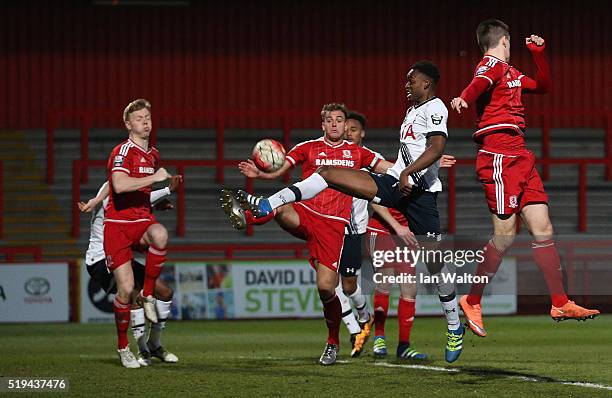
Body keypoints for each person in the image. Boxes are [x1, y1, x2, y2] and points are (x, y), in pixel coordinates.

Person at [224, 61, 465, 363]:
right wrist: (402, 172)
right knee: (326, 172)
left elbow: (437, 147)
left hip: (419, 196)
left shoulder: (436, 107)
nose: (407, 84)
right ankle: (265, 204)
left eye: (411, 80)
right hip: (394, 185)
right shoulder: (411, 111)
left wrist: (411, 172)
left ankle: (455, 325)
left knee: (433, 264)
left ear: (426, 83)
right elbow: (410, 156)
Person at [450, 19, 599, 338]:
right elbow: (478, 82)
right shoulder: (490, 64)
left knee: (543, 227)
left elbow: (543, 86)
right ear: (504, 40)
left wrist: (540, 54)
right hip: (499, 156)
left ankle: (560, 302)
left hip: (521, 155)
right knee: (504, 234)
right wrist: (464, 96)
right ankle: (472, 299)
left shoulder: (513, 73)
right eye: (511, 41)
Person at [222, 103, 390, 365]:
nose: (334, 124)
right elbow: (281, 168)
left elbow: (387, 167)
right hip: (306, 211)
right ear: (322, 124)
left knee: (326, 288)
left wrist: (419, 170)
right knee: (281, 205)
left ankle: (333, 341)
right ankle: (249, 216)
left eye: (339, 120)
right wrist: (262, 173)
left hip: (334, 226)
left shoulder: (358, 153)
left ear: (346, 125)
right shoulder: (307, 148)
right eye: (329, 120)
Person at [104, 98, 177, 367]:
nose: (145, 122)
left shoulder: (153, 154)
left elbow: (141, 191)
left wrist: (156, 199)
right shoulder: (122, 152)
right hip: (118, 226)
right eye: (138, 119)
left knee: (160, 234)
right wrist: (154, 179)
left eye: (147, 117)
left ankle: (147, 294)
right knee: (124, 290)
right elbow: (120, 185)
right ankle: (123, 348)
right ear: (128, 124)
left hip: (141, 220)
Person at [79, 177, 181, 368]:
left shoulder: (129, 190)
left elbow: (134, 209)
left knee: (165, 292)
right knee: (133, 293)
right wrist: (167, 189)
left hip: (122, 254)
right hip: (101, 258)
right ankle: (142, 350)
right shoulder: (112, 186)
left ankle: (154, 344)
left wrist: (154, 208)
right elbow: (131, 202)